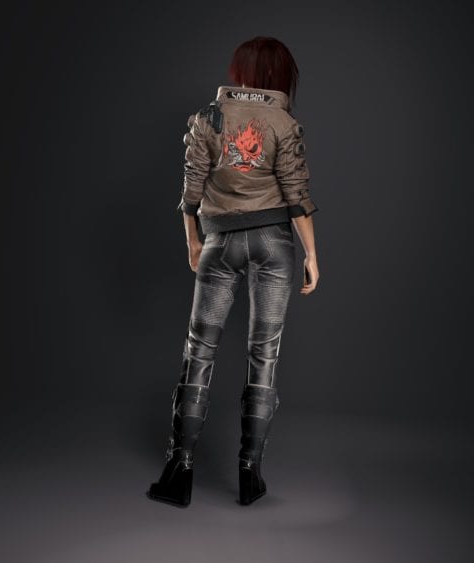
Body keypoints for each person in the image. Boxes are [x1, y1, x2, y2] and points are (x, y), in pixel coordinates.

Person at [146, 36, 320, 507]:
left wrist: (193, 242)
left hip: (219, 242)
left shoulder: (208, 117)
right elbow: (297, 197)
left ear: (240, 71)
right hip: (274, 244)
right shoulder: (284, 122)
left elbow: (191, 190)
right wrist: (311, 254)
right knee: (264, 354)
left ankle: (179, 468)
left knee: (199, 349)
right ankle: (249, 472)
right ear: (279, 76)